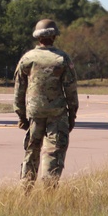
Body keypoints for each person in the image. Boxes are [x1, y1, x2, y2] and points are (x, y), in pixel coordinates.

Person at [14, 19, 79, 190]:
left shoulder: (27, 59)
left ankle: (25, 188)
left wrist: (21, 115)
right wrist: (72, 114)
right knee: (54, 151)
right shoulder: (62, 59)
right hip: (57, 114)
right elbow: (71, 90)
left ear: (38, 37)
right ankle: (49, 189)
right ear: (54, 36)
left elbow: (19, 90)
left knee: (31, 150)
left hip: (34, 113)